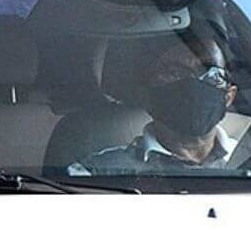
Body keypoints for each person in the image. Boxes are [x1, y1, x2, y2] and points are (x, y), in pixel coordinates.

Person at [72, 26, 239, 175]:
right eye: (174, 73)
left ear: (229, 96)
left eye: (213, 75)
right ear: (147, 92)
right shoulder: (94, 174)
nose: (194, 85)